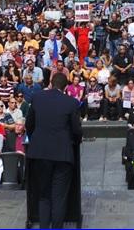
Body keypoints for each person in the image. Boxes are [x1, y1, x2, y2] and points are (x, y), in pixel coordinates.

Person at [26, 73, 83, 229]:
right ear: (66, 87)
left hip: (39, 153)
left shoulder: (37, 98)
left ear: (50, 83)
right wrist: (75, 142)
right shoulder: (71, 102)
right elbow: (77, 130)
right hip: (62, 154)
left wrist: (36, 141)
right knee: (59, 197)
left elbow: (29, 125)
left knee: (44, 196)